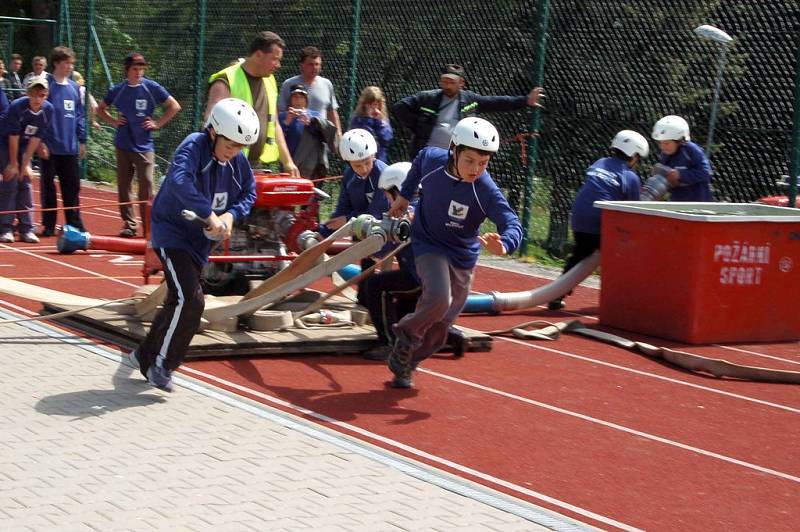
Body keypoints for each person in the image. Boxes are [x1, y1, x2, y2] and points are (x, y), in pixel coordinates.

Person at [128, 98, 258, 392]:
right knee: (191, 299)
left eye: (240, 147)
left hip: (200, 242)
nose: (235, 152)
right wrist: (209, 213)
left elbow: (249, 192)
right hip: (172, 232)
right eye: (230, 145)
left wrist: (230, 216)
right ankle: (161, 365)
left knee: (177, 298)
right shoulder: (193, 145)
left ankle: (143, 353)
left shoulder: (237, 161)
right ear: (214, 132)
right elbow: (179, 180)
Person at [385, 117, 523, 388]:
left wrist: (505, 243)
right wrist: (404, 195)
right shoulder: (434, 162)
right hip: (429, 243)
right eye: (470, 160)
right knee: (439, 298)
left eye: (483, 163)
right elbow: (420, 159)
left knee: (440, 331)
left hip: (462, 256)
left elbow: (512, 223)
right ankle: (406, 332)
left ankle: (406, 363)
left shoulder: (485, 190)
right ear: (454, 150)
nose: (476, 169)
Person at [360, 162, 468, 361]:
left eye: (388, 194)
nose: (386, 199)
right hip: (438, 279)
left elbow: (391, 243)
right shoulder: (427, 206)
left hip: (425, 279)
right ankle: (451, 336)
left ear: (399, 190)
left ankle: (388, 344)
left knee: (375, 286)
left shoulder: (412, 212)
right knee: (402, 315)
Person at [547, 130, 649, 310]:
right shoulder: (630, 176)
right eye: (638, 158)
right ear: (634, 156)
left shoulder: (600, 162)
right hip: (599, 221)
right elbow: (634, 209)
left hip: (579, 217)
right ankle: (619, 299)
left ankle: (557, 293)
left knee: (579, 256)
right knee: (620, 258)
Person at [97, 52, 182, 238]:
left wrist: (157, 124)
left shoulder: (152, 88)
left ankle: (149, 227)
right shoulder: (118, 90)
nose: (139, 73)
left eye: (141, 69)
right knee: (124, 186)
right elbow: (99, 109)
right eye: (135, 69)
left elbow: (174, 106)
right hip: (123, 144)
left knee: (147, 185)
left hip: (144, 145)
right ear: (127, 70)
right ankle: (129, 224)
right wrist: (112, 121)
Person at [392, 63, 544, 160]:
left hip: (454, 157)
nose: (447, 85)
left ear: (461, 83)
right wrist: (417, 127)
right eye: (444, 81)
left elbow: (496, 102)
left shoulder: (470, 100)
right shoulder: (427, 98)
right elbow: (399, 107)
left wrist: (525, 100)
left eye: (451, 82)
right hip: (425, 155)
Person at [206, 32, 298, 177]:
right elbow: (210, 125)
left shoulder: (270, 81)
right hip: (226, 166)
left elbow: (274, 124)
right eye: (275, 59)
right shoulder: (226, 80)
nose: (278, 65)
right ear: (259, 55)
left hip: (256, 167)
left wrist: (288, 162)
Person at [320, 129, 389, 304]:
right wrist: (323, 231)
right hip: (363, 232)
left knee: (386, 270)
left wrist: (348, 219)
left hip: (388, 231)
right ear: (349, 162)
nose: (364, 169)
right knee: (366, 262)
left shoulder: (383, 174)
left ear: (373, 155)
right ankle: (365, 299)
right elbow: (342, 208)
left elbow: (377, 212)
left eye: (367, 162)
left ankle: (383, 300)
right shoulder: (349, 177)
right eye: (357, 165)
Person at [39, 47, 87, 236]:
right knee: (48, 186)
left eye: (71, 63)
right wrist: (40, 141)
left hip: (69, 147)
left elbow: (79, 116)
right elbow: (38, 113)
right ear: (57, 63)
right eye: (66, 63)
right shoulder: (45, 84)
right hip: (50, 146)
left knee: (72, 186)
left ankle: (74, 223)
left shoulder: (75, 88)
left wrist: (82, 140)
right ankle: (49, 224)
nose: (70, 66)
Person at [0, 75, 53, 244]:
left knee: (26, 181)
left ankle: (27, 228)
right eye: (34, 94)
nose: (38, 99)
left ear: (47, 95)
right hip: (4, 143)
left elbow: (36, 138)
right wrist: (14, 164)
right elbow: (12, 137)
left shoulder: (48, 110)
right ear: (27, 93)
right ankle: (6, 228)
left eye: (42, 95)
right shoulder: (17, 107)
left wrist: (26, 164)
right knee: (11, 181)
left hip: (23, 146)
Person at [278, 46, 341, 138]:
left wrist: (338, 134)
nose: (314, 67)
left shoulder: (327, 84)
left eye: (317, 64)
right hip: (295, 140)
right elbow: (280, 111)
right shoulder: (289, 84)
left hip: (320, 140)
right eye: (310, 64)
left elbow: (332, 111)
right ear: (301, 65)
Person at [651, 115, 713, 202]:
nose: (662, 147)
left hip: (699, 203)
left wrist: (680, 174)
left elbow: (705, 172)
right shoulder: (666, 154)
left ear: (679, 140)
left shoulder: (691, 149)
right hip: (678, 202)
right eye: (659, 143)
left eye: (667, 143)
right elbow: (670, 181)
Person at [349, 86, 393, 162]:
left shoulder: (382, 119)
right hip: (362, 160)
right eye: (369, 104)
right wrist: (368, 119)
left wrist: (379, 122)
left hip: (380, 160)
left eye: (375, 104)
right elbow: (365, 138)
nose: (372, 107)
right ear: (364, 104)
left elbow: (386, 139)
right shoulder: (357, 120)